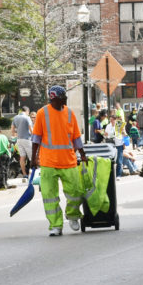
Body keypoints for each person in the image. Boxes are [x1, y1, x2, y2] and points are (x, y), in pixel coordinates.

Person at [31, 85, 87, 236]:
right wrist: (33, 157)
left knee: (76, 192)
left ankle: (73, 215)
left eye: (63, 98)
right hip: (48, 162)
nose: (64, 100)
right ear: (53, 99)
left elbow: (76, 137)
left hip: (68, 161)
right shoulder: (42, 113)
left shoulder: (69, 113)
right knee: (49, 196)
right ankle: (56, 225)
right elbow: (36, 138)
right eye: (61, 98)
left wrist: (82, 154)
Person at [11, 106, 33, 175]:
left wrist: (17, 135)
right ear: (27, 111)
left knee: (22, 157)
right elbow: (31, 130)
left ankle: (24, 174)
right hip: (27, 139)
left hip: (19, 140)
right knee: (31, 158)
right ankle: (32, 174)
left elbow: (12, 130)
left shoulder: (15, 117)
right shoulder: (27, 117)